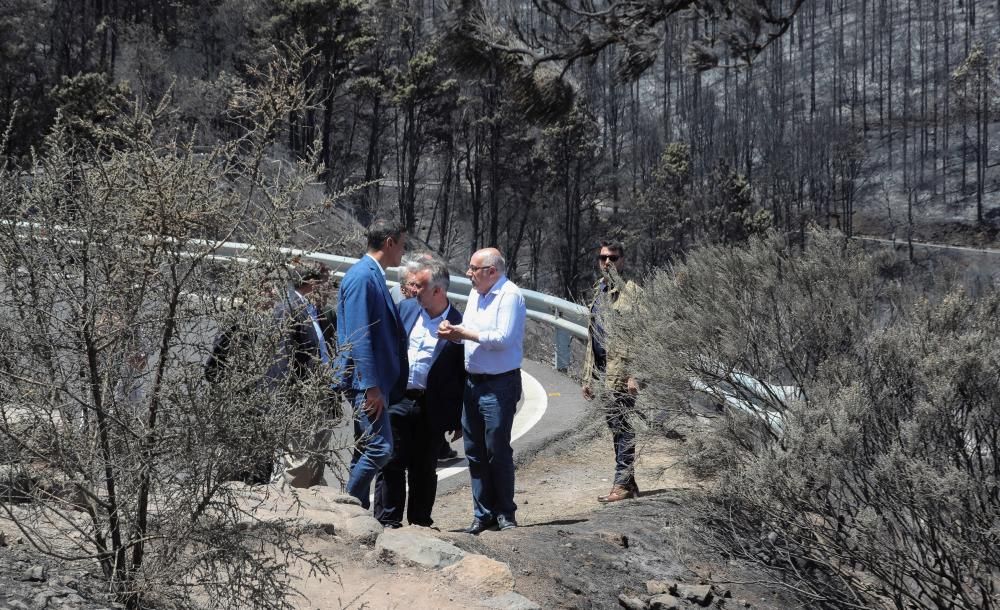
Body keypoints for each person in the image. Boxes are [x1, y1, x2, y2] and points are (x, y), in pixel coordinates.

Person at [438, 247, 525, 533]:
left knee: (496, 450)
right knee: (474, 450)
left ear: (492, 271)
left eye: (474, 268)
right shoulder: (477, 293)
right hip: (474, 382)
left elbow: (502, 338)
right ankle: (482, 513)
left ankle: (505, 513)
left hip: (499, 383)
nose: (469, 273)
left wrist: (463, 333)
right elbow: (471, 330)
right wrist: (455, 332)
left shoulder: (510, 295)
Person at [373, 257, 465, 528]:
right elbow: (386, 350)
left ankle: (420, 524)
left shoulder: (460, 323)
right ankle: (388, 522)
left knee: (424, 469)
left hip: (431, 406)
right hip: (399, 399)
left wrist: (457, 418)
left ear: (438, 290)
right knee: (391, 463)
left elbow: (463, 374)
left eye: (421, 287)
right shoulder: (405, 310)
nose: (414, 291)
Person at [335, 219, 408, 507]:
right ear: (389, 242)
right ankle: (345, 504)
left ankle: (357, 513)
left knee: (366, 447)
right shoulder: (362, 278)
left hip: (373, 383)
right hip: (366, 384)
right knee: (380, 448)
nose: (403, 252)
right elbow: (358, 336)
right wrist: (371, 387)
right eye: (402, 244)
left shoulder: (372, 275)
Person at [267, 262, 339, 488]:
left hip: (318, 398)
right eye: (326, 282)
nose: (330, 288)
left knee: (316, 462)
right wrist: (290, 402)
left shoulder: (311, 309)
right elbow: (281, 360)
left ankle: (317, 516)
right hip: (300, 401)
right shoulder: (288, 309)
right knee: (299, 464)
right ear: (312, 282)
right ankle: (293, 516)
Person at [582, 239, 642, 503]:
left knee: (625, 427)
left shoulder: (633, 293)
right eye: (603, 258)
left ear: (623, 261)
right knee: (616, 427)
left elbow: (645, 336)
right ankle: (628, 482)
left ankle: (622, 484)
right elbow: (592, 338)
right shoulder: (599, 293)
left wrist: (636, 373)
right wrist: (589, 377)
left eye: (613, 258)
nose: (608, 262)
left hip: (624, 372)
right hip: (605, 371)